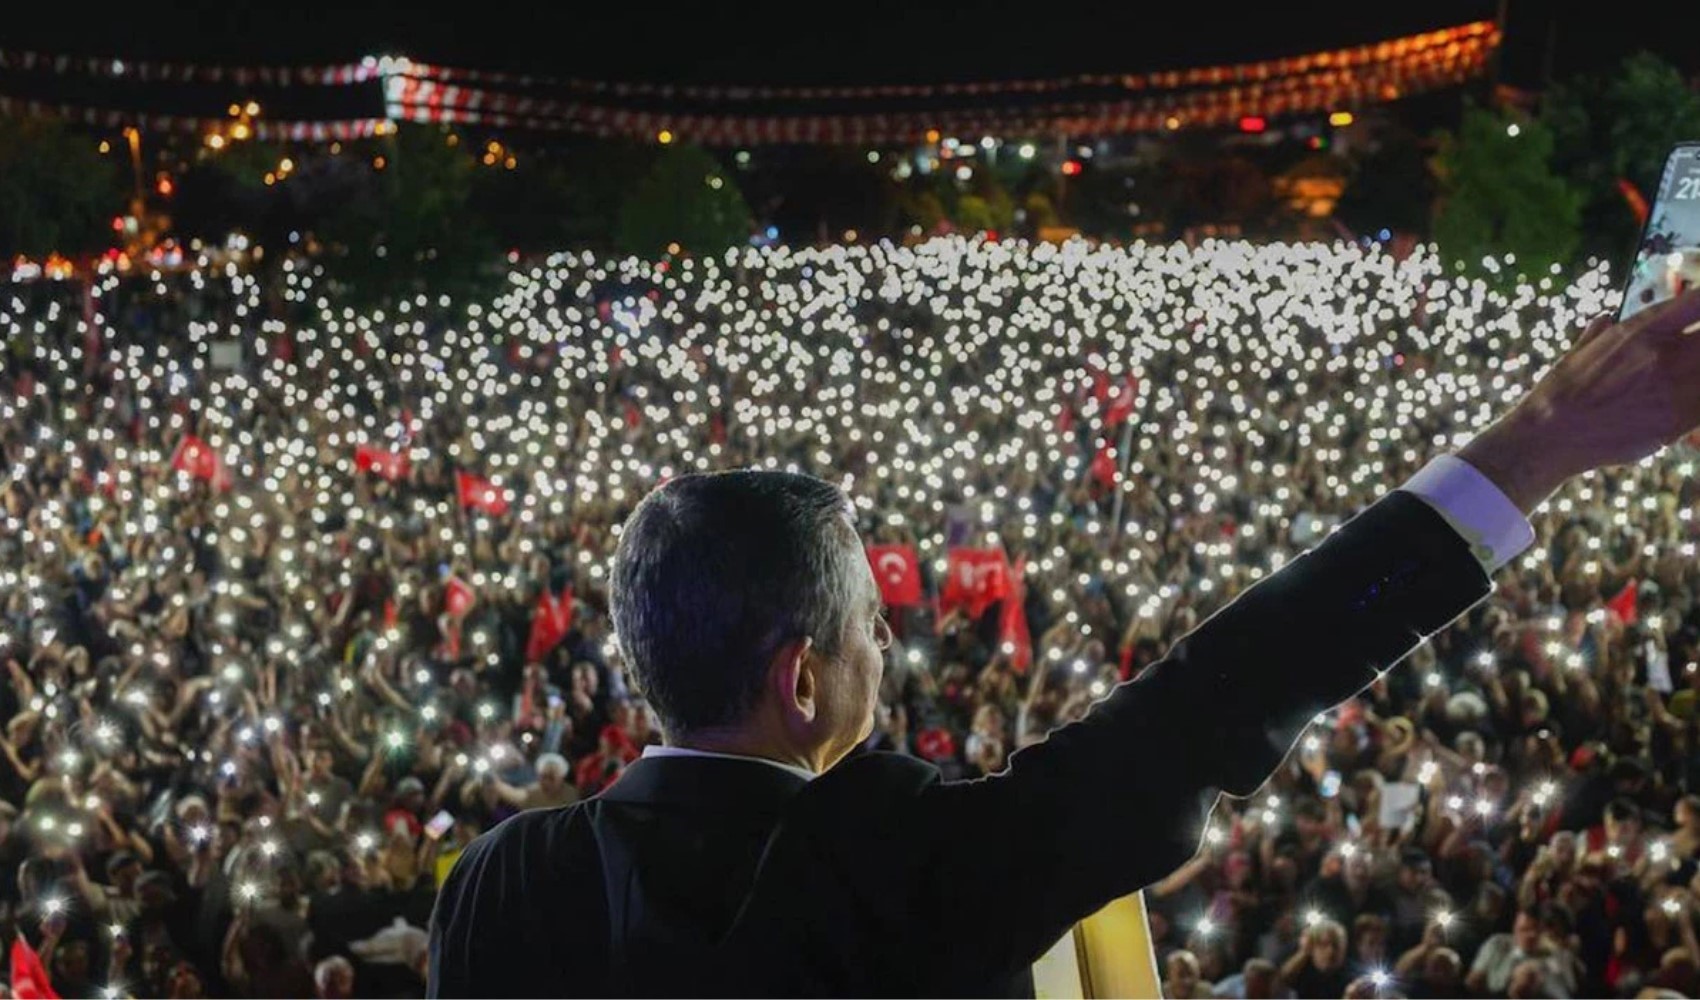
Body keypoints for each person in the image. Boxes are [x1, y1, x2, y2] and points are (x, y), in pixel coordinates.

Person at [428, 290, 1700, 995]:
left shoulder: (496, 883)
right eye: (871, 626)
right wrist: (1535, 443)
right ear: (800, 679)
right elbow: (1216, 696)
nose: (892, 647)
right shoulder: (898, 860)